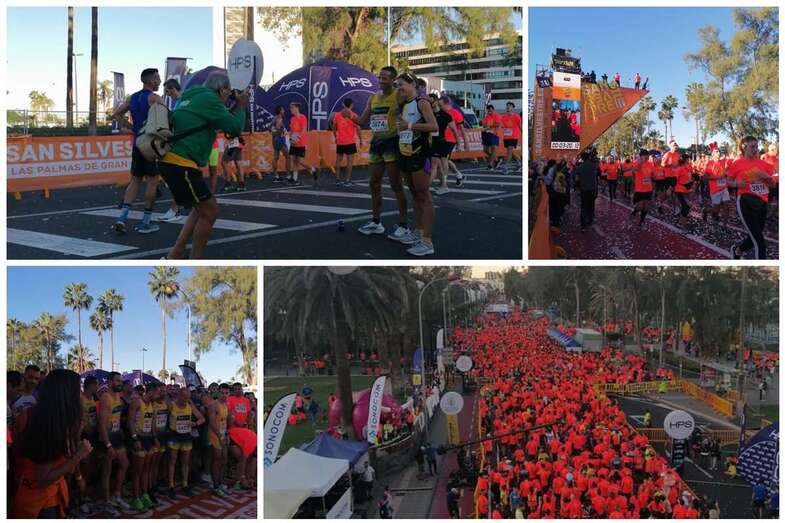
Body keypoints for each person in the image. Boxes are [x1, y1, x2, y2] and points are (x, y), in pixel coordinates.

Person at [156, 71, 248, 259]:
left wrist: (232, 107)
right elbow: (235, 128)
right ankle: (193, 261)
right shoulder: (210, 100)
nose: (228, 97)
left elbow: (213, 120)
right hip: (181, 164)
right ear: (222, 90)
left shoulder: (192, 96)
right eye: (228, 93)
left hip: (171, 161)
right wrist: (240, 106)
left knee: (200, 209)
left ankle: (175, 254)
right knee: (210, 211)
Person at [13, 369, 94, 518]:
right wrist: (78, 456)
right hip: (38, 503)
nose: (80, 395)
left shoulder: (58, 420)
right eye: (77, 390)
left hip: (51, 496)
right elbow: (43, 480)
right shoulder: (47, 425)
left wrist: (78, 476)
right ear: (66, 394)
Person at [352, 65, 412, 242]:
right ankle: (376, 222)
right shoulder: (373, 97)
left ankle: (403, 225)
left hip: (392, 142)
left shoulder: (399, 95)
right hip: (377, 144)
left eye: (385, 78)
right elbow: (362, 120)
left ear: (393, 80)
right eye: (380, 77)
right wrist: (349, 115)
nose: (381, 81)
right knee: (373, 183)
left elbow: (412, 108)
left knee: (396, 185)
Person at [111, 68, 164, 235]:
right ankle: (145, 223)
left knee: (135, 181)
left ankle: (121, 218)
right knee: (153, 181)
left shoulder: (132, 98)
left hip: (137, 144)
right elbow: (166, 121)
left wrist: (133, 128)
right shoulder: (155, 98)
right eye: (157, 79)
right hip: (151, 145)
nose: (159, 81)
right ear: (150, 81)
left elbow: (116, 114)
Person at [395, 72, 439, 256]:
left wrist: (410, 126)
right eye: (397, 85)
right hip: (405, 153)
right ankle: (418, 232)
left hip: (420, 154)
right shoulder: (403, 105)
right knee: (415, 195)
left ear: (412, 84)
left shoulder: (422, 103)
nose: (399, 88)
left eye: (402, 85)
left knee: (424, 195)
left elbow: (434, 126)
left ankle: (427, 242)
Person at [725, 135, 776, 259]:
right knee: (760, 243)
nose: (755, 149)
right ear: (744, 147)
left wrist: (768, 178)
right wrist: (737, 184)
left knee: (755, 235)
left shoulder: (763, 164)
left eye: (756, 146)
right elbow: (728, 181)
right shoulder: (737, 163)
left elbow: (773, 185)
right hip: (745, 201)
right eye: (752, 146)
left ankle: (737, 250)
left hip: (762, 203)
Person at [97, 371, 130, 516]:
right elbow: (101, 424)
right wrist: (108, 445)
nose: (120, 383)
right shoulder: (106, 398)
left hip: (116, 436)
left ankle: (117, 495)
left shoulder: (118, 396)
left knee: (125, 464)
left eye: (121, 381)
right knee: (107, 470)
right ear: (110, 382)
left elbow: (116, 416)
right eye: (117, 381)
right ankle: (106, 502)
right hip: (107, 438)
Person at [166, 386, 205, 498]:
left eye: (188, 398)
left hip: (186, 436)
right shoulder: (172, 405)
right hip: (174, 435)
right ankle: (171, 486)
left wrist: (195, 424)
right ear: (179, 396)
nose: (185, 400)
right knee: (172, 461)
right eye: (184, 397)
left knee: (185, 462)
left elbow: (202, 419)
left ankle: (185, 485)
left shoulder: (190, 405)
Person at [157, 78, 185, 223]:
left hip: (183, 144)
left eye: (168, 92)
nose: (168, 96)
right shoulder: (178, 102)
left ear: (173, 89)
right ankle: (175, 209)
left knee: (177, 178)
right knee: (178, 178)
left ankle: (175, 210)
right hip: (178, 143)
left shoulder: (183, 101)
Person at [127, 384, 157, 511]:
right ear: (151, 392)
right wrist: (135, 438)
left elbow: (152, 422)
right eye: (157, 393)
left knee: (146, 468)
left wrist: (154, 438)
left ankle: (144, 494)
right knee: (137, 471)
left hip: (148, 439)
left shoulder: (151, 404)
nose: (159, 395)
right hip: (138, 438)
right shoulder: (137, 402)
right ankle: (135, 497)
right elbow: (130, 421)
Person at [428, 94, 459, 195]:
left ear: (436, 102)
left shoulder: (445, 115)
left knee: (439, 163)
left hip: (442, 142)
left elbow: (454, 130)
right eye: (429, 102)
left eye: (432, 101)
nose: (430, 104)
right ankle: (442, 185)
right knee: (436, 166)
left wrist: (458, 143)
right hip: (431, 142)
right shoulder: (428, 114)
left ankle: (443, 185)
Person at [330, 98, 362, 187]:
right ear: (351, 105)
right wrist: (361, 139)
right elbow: (358, 128)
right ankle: (347, 180)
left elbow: (333, 127)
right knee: (350, 162)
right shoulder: (353, 115)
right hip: (350, 142)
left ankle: (337, 180)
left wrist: (335, 137)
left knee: (338, 160)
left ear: (343, 104)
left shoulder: (337, 115)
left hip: (340, 141)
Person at [207, 383, 230, 497]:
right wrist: (220, 436)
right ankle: (215, 485)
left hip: (222, 435)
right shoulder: (213, 405)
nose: (224, 395)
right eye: (222, 393)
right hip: (215, 436)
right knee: (216, 460)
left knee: (224, 459)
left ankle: (220, 483)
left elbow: (224, 421)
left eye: (226, 393)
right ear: (218, 392)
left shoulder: (225, 405)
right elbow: (211, 423)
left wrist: (226, 434)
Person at [286, 101, 318, 185]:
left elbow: (304, 129)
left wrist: (298, 137)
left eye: (292, 107)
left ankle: (313, 169)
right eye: (290, 108)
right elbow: (291, 130)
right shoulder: (292, 119)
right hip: (294, 142)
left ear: (297, 108)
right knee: (294, 161)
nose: (291, 109)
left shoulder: (302, 117)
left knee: (300, 161)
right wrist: (290, 138)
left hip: (301, 142)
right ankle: (295, 179)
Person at [622, 149, 655, 227]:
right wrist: (641, 161)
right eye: (645, 155)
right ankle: (633, 213)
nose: (647, 157)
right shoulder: (636, 162)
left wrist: (653, 179)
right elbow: (635, 169)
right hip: (640, 188)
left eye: (648, 155)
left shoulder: (650, 163)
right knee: (640, 206)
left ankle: (641, 221)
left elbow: (652, 174)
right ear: (641, 156)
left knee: (646, 206)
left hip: (648, 188)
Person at [574, 152, 599, 231]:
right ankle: (590, 221)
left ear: (582, 158)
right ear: (588, 158)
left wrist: (578, 186)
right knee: (591, 206)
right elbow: (598, 172)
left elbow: (576, 179)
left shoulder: (579, 167)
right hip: (592, 189)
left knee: (583, 207)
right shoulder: (593, 166)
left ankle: (583, 226)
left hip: (584, 190)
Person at [500, 102, 522, 173]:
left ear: (513, 108)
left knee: (509, 151)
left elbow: (520, 126)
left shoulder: (516, 117)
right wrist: (502, 127)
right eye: (507, 106)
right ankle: (518, 163)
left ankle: (505, 167)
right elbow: (501, 126)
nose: (508, 107)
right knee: (510, 151)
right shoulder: (503, 117)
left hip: (514, 136)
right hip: (506, 136)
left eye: (509, 106)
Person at [270, 105, 290, 183]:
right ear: (280, 111)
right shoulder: (279, 118)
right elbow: (276, 129)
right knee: (288, 157)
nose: (284, 111)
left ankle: (276, 176)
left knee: (276, 157)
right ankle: (288, 176)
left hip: (275, 140)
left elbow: (272, 129)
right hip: (280, 140)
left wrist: (280, 132)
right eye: (283, 110)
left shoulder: (275, 118)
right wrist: (281, 133)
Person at [481, 105, 502, 170]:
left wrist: (490, 126)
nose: (489, 111)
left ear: (493, 109)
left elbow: (498, 124)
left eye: (490, 110)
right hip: (486, 134)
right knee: (485, 149)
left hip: (494, 134)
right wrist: (485, 126)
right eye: (488, 110)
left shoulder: (497, 116)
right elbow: (483, 124)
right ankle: (496, 160)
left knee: (493, 149)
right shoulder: (486, 116)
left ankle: (490, 165)